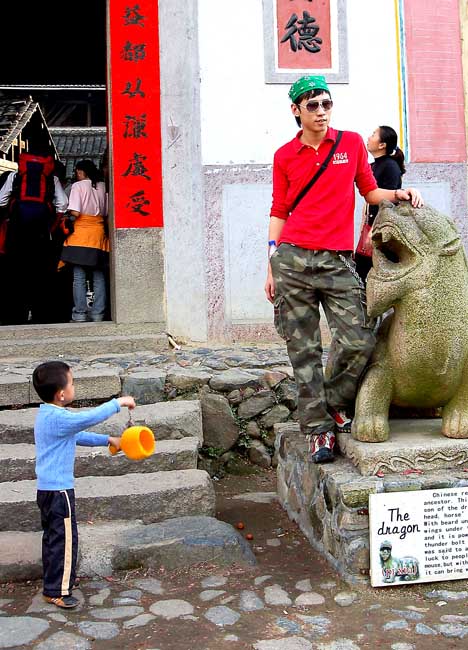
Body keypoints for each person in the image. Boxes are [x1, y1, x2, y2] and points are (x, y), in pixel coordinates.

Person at [264, 75, 423, 464]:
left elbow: (369, 191)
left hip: (337, 260)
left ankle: (332, 402)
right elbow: (279, 209)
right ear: (296, 110)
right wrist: (270, 262)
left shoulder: (349, 143)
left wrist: (399, 192)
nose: (321, 111)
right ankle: (319, 431)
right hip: (293, 260)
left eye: (326, 104)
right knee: (303, 351)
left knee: (357, 339)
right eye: (313, 105)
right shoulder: (285, 155)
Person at [32, 360, 136, 609]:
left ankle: (54, 581)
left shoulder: (49, 415)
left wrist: (109, 439)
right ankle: (58, 590)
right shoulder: (59, 417)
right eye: (72, 383)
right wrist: (118, 403)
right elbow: (88, 419)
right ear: (61, 394)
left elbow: (78, 435)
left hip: (47, 490)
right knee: (65, 540)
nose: (74, 386)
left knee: (53, 539)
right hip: (59, 492)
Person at [0, 151, 68, 325]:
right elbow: (63, 203)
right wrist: (53, 224)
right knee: (41, 273)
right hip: (41, 235)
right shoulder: (52, 180)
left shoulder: (15, 177)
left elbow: (1, 200)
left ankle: (15, 315)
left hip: (16, 234)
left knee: (15, 273)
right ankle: (41, 314)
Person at [355, 126, 406, 282]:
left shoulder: (390, 167)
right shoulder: (372, 166)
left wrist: (375, 231)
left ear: (382, 145)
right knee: (360, 274)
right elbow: (369, 199)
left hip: (382, 233)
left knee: (373, 277)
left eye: (373, 134)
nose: (369, 138)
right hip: (370, 229)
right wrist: (364, 227)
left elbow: (389, 203)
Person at [60, 159, 109, 322]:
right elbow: (107, 211)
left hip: (81, 234)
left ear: (82, 172)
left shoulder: (78, 186)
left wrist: (65, 215)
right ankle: (98, 313)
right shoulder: (102, 186)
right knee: (98, 274)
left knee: (79, 275)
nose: (76, 175)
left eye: (77, 172)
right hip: (99, 232)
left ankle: (80, 313)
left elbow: (75, 212)